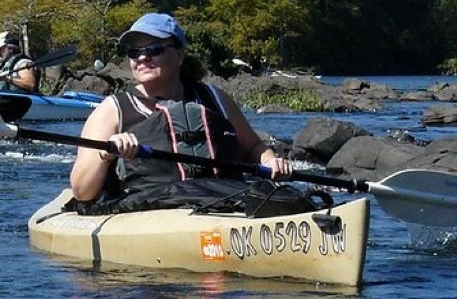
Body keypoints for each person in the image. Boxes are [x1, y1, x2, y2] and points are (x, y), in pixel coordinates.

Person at [69, 13, 293, 202]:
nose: (143, 57)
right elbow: (81, 191)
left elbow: (254, 146)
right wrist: (106, 154)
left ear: (179, 55)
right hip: (148, 211)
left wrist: (270, 161)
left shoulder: (215, 99)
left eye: (155, 49)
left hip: (222, 202)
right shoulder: (112, 110)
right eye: (134, 52)